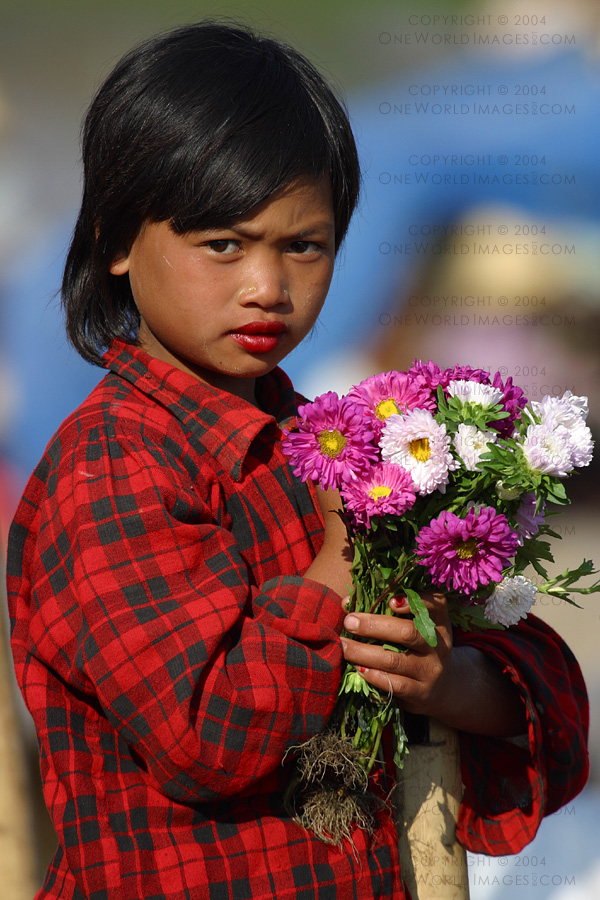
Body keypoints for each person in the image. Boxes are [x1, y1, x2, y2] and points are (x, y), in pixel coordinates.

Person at [5, 21, 588, 900]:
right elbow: (207, 738)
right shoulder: (111, 467)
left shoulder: (343, 442)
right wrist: (344, 558)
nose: (268, 288)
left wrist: (447, 681)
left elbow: (546, 695)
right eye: (224, 246)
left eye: (304, 247)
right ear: (117, 242)